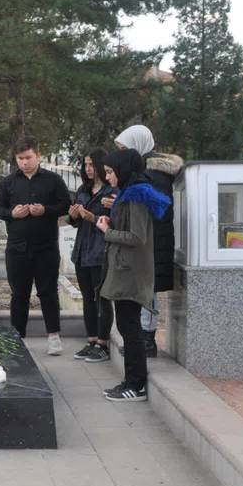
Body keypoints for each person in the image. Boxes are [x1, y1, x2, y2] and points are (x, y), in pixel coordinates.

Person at [96, 149, 171, 402]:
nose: (107, 177)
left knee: (130, 329)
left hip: (131, 272)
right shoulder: (128, 193)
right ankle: (130, 381)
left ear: (123, 170)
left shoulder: (136, 197)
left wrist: (107, 232)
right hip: (125, 269)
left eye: (110, 172)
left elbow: (138, 237)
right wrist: (112, 225)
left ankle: (136, 385)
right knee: (126, 327)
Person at [0, 136, 73, 349]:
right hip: (17, 248)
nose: (24, 162)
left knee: (48, 292)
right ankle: (17, 337)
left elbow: (66, 205)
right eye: (20, 158)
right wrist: (12, 213)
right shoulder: (8, 182)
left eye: (28, 157)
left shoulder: (53, 180)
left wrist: (45, 210)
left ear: (38, 156)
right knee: (19, 294)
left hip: (46, 247)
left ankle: (53, 336)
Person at [111, 125, 183, 357]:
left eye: (124, 147)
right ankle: (143, 337)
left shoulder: (154, 173)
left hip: (152, 242)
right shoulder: (144, 170)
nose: (121, 152)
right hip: (147, 240)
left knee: (146, 290)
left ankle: (147, 339)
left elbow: (153, 209)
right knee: (143, 289)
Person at [68, 149, 116, 362]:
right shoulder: (83, 189)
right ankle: (91, 340)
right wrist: (74, 216)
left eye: (91, 164)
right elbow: (76, 222)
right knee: (87, 299)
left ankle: (102, 344)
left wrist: (92, 217)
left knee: (102, 300)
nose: (88, 169)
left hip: (100, 252)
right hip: (82, 251)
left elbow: (114, 221)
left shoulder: (111, 191)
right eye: (85, 165)